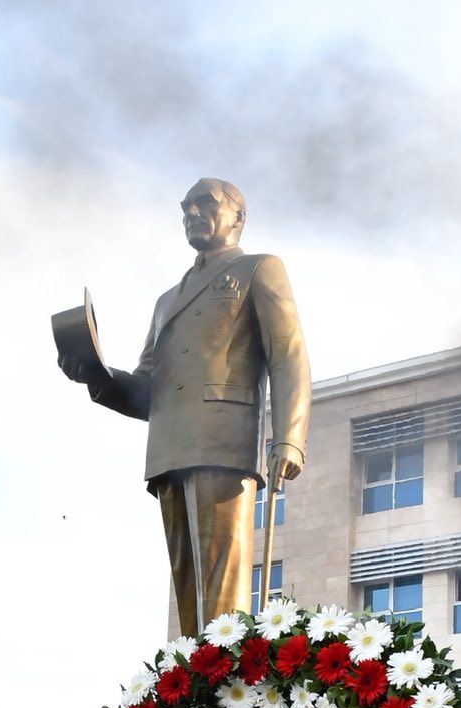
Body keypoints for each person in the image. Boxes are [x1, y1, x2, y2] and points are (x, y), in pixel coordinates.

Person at [62, 178, 310, 636]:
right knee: (188, 591)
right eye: (186, 207)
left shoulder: (259, 268)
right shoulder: (166, 301)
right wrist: (94, 373)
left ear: (238, 217)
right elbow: (144, 389)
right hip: (170, 450)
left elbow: (288, 353)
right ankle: (197, 683)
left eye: (206, 204)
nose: (193, 213)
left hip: (225, 440)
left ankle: (227, 689)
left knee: (223, 587)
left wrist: (290, 437)